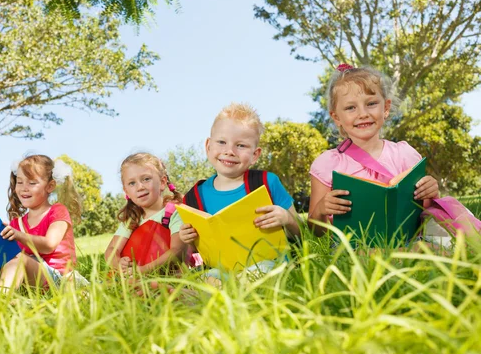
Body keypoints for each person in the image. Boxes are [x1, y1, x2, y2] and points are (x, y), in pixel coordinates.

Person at [308, 64, 439, 236]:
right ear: (336, 117)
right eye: (350, 108)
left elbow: (426, 214)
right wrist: (321, 210)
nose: (362, 113)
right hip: (354, 247)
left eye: (371, 104)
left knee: (436, 242)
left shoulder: (404, 155)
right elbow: (314, 231)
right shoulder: (327, 163)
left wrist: (431, 191)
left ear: (385, 108)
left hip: (408, 239)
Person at [179, 102, 301, 280]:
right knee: (204, 281)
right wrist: (187, 239)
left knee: (259, 273)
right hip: (221, 269)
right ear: (208, 146)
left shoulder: (266, 182)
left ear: (255, 155)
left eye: (241, 145)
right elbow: (194, 252)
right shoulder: (194, 197)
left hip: (268, 263)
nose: (229, 151)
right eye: (221, 142)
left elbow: (301, 233)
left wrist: (286, 219)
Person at [0, 154, 82, 293]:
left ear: (50, 186)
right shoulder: (16, 224)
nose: (24, 188)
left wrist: (19, 236)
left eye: (32, 183)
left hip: (59, 279)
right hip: (30, 281)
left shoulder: (57, 211)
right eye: (20, 182)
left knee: (18, 259)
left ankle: (1, 303)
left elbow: (49, 245)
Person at [104, 152, 186, 274]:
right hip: (134, 278)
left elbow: (177, 251)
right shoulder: (132, 220)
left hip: (168, 277)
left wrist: (143, 271)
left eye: (146, 179)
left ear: (163, 182)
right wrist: (118, 264)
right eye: (132, 183)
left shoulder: (174, 213)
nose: (140, 187)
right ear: (126, 191)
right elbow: (111, 250)